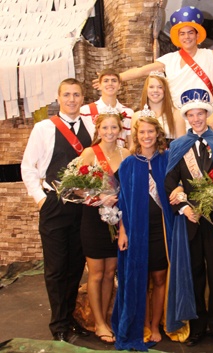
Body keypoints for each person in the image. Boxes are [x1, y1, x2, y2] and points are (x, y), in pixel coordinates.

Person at [93, 6, 213, 108]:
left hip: (205, 113)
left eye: (191, 32)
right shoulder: (168, 59)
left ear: (197, 35)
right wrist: (112, 78)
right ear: (177, 38)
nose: (187, 37)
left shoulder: (209, 55)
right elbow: (140, 71)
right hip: (177, 116)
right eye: (182, 33)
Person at [164, 88, 213, 348]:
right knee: (194, 272)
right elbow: (170, 181)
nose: (196, 119)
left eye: (200, 114)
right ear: (186, 116)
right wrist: (184, 208)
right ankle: (197, 324)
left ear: (207, 114)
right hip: (189, 221)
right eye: (191, 114)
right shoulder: (177, 146)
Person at [21, 78, 95, 342]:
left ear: (83, 97)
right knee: (56, 267)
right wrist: (40, 200)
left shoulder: (90, 125)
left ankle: (71, 316)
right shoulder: (44, 128)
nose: (72, 99)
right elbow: (28, 167)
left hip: (84, 207)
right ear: (59, 97)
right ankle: (59, 323)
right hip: (54, 205)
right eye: (67, 95)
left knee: (76, 265)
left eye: (76, 95)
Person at [112, 108, 174, 351]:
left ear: (157, 133)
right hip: (136, 230)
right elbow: (122, 201)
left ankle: (157, 325)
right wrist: (123, 231)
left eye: (151, 131)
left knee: (160, 278)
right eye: (142, 132)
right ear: (136, 136)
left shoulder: (167, 158)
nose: (147, 136)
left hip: (162, 229)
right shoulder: (128, 164)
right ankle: (143, 325)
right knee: (141, 278)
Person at [79, 111, 130, 343]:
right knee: (97, 273)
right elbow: (77, 188)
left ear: (120, 130)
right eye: (105, 128)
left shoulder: (127, 154)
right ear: (98, 130)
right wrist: (99, 197)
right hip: (94, 219)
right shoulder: (90, 153)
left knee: (111, 272)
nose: (109, 132)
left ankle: (107, 320)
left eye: (114, 128)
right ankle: (98, 322)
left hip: (118, 219)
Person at [81, 68, 133, 148]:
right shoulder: (85, 111)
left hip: (119, 158)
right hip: (94, 157)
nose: (110, 84)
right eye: (106, 81)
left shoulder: (128, 113)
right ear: (99, 85)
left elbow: (131, 145)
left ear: (119, 85)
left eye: (114, 81)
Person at [131, 71, 186, 145]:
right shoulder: (136, 116)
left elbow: (181, 147)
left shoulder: (176, 115)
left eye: (160, 87)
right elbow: (133, 146)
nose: (155, 90)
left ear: (165, 90)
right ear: (146, 90)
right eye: (151, 87)